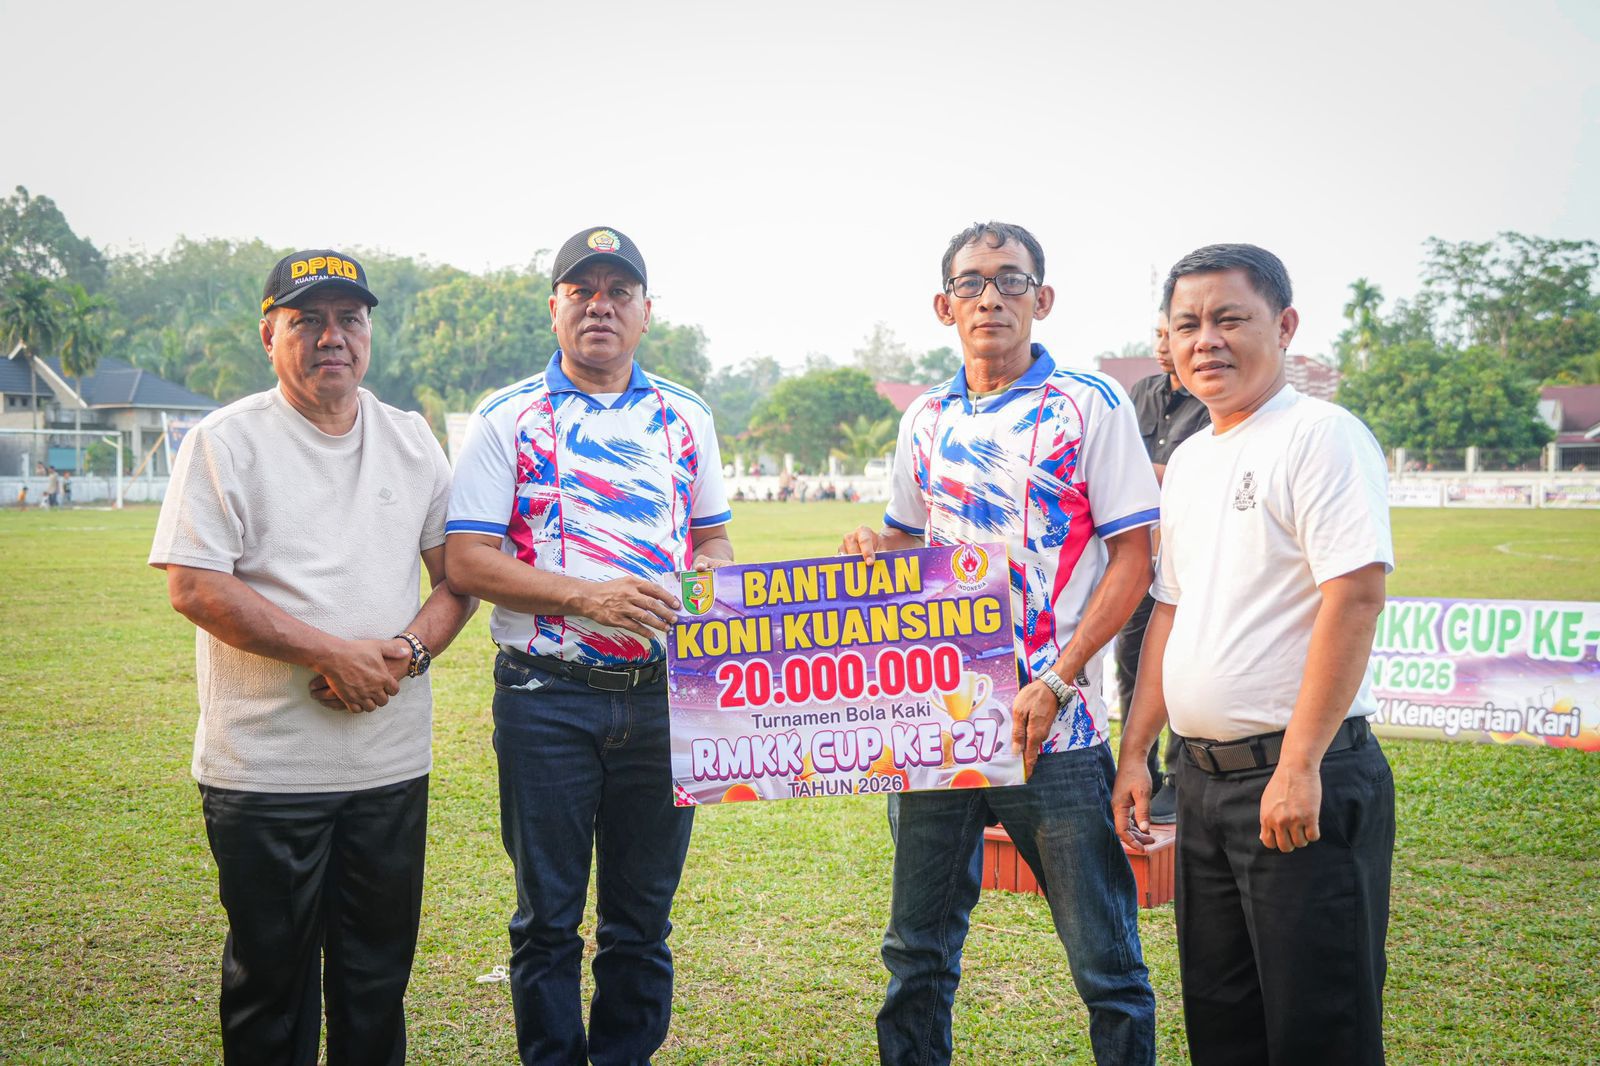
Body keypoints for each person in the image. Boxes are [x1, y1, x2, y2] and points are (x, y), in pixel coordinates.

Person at [842, 221, 1158, 1066]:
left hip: (1057, 728)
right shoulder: (925, 417)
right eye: (972, 283)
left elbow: (1135, 559)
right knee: (916, 952)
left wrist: (1059, 678)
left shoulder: (1090, 404)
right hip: (940, 723)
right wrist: (876, 551)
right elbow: (909, 545)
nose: (991, 297)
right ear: (943, 305)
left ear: (1041, 299)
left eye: (1011, 280)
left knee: (1107, 964)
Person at [149, 248, 476, 1065]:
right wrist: (333, 654)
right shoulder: (227, 441)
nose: (333, 336)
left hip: (388, 767)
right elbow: (194, 585)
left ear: (368, 333)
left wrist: (403, 654)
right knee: (271, 989)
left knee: (376, 984)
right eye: (308, 320)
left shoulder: (411, 440)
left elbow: (459, 579)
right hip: (266, 772)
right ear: (269, 335)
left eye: (350, 319)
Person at [444, 226, 734, 1065]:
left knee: (641, 922)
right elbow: (467, 559)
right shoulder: (508, 418)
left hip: (664, 699)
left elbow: (712, 540)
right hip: (547, 698)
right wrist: (586, 596)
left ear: (646, 311)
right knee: (547, 920)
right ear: (555, 309)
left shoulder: (686, 416)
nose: (600, 306)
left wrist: (715, 581)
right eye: (582, 291)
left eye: (618, 292)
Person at [1113, 244, 1394, 1065]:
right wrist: (1136, 753)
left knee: (1318, 1029)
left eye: (1229, 318)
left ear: (1285, 325)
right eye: (1187, 325)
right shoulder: (1191, 458)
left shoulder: (1320, 436)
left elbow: (1355, 597)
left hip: (1296, 776)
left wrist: (1299, 765)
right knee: (1223, 1021)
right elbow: (1170, 610)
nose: (1206, 340)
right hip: (1201, 784)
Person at [1114, 310, 1210, 824]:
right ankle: (1138, 769)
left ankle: (1177, 777)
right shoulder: (1140, 393)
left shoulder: (1213, 399)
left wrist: (1143, 471)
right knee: (1131, 663)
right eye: (1157, 334)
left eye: (1170, 334)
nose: (1161, 344)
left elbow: (1202, 475)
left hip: (1189, 557)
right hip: (1137, 557)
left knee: (1180, 665)